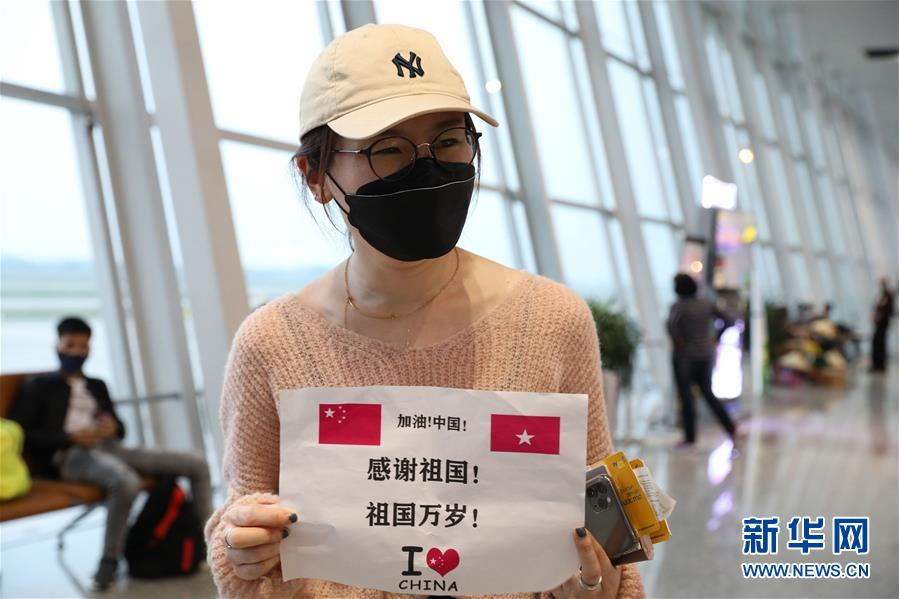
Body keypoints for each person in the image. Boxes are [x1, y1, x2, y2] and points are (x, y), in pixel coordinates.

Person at [203, 23, 645, 599]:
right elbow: (248, 535)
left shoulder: (552, 321)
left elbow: (606, 540)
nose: (428, 167)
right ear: (315, 177)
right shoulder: (272, 343)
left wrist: (596, 579)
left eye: (449, 141)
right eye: (388, 148)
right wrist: (242, 547)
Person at [9, 317, 213, 591]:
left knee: (196, 462)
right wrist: (68, 437)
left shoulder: (97, 385)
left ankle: (209, 544)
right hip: (70, 455)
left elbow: (120, 429)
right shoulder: (40, 386)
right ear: (57, 345)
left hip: (111, 448)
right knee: (125, 481)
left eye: (83, 347)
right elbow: (21, 433)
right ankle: (109, 562)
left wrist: (112, 427)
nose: (76, 352)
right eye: (70, 345)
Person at [666, 274, 739, 453]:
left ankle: (690, 438)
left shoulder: (678, 306)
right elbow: (729, 320)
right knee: (708, 393)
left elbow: (671, 327)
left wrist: (680, 342)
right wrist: (716, 338)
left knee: (686, 397)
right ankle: (731, 427)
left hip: (684, 357)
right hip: (705, 355)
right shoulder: (706, 304)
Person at [870, 277, 894, 372]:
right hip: (880, 323)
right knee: (876, 342)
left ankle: (880, 365)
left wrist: (880, 316)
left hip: (883, 323)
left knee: (880, 343)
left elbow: (888, 309)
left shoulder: (888, 294)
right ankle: (877, 365)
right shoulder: (882, 294)